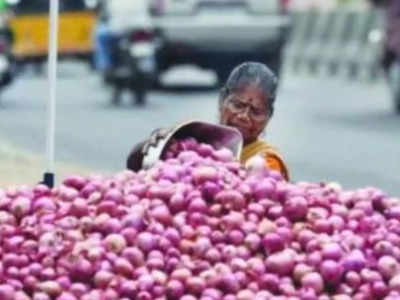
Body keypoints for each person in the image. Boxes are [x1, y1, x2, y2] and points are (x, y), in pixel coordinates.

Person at [127, 62, 290, 181]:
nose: (244, 116)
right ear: (222, 101)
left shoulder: (269, 160)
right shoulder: (196, 139)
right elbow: (134, 164)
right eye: (237, 105)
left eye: (256, 111)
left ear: (268, 117)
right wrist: (152, 145)